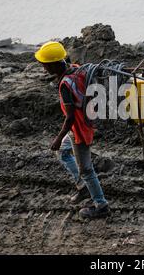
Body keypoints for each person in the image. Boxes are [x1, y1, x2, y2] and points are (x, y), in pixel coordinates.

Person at [34, 41, 110, 218]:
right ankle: (83, 187)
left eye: (44, 65)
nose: (44, 69)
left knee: (86, 169)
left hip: (79, 128)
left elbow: (70, 118)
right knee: (63, 152)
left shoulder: (65, 85)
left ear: (53, 64)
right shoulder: (76, 69)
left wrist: (58, 138)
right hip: (82, 122)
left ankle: (101, 205)